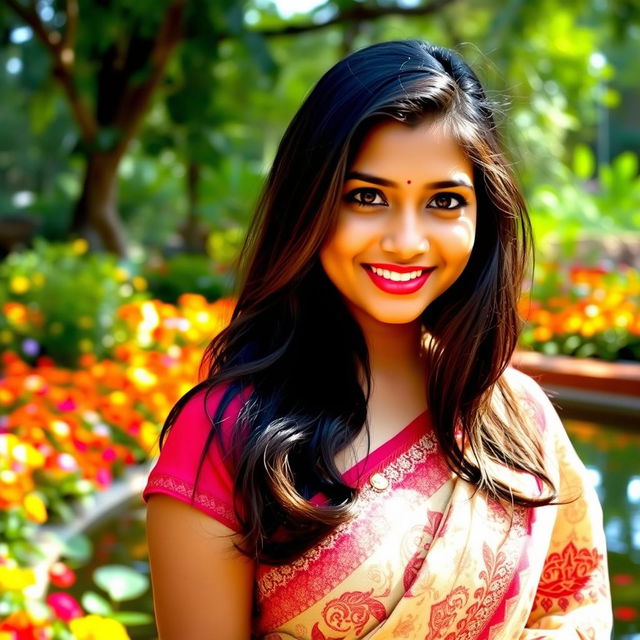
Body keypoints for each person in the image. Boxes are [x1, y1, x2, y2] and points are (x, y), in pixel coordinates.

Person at [143, 40, 612, 640]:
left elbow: (573, 610)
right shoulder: (224, 440)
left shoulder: (517, 416)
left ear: (483, 217)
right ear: (309, 205)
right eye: (367, 197)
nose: (406, 241)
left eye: (444, 201)